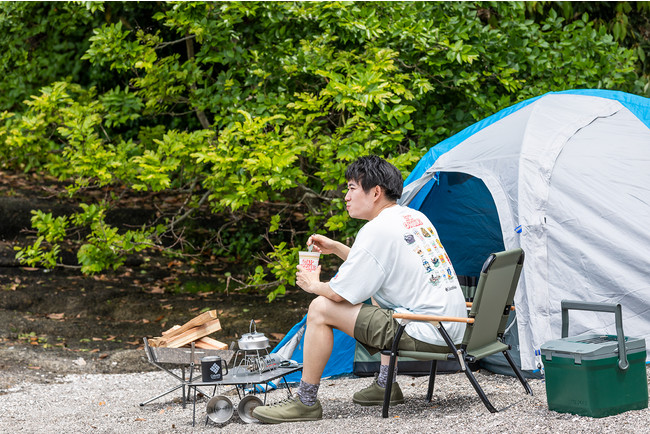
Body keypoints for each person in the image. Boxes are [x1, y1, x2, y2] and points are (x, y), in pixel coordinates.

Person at [252, 155, 467, 424]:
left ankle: (305, 402)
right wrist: (336, 248)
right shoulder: (413, 217)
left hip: (426, 332)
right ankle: (385, 385)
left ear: (376, 192)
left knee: (320, 308)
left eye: (352, 187)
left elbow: (339, 294)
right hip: (451, 326)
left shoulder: (376, 229)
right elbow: (376, 268)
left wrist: (313, 284)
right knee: (379, 292)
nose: (346, 196)